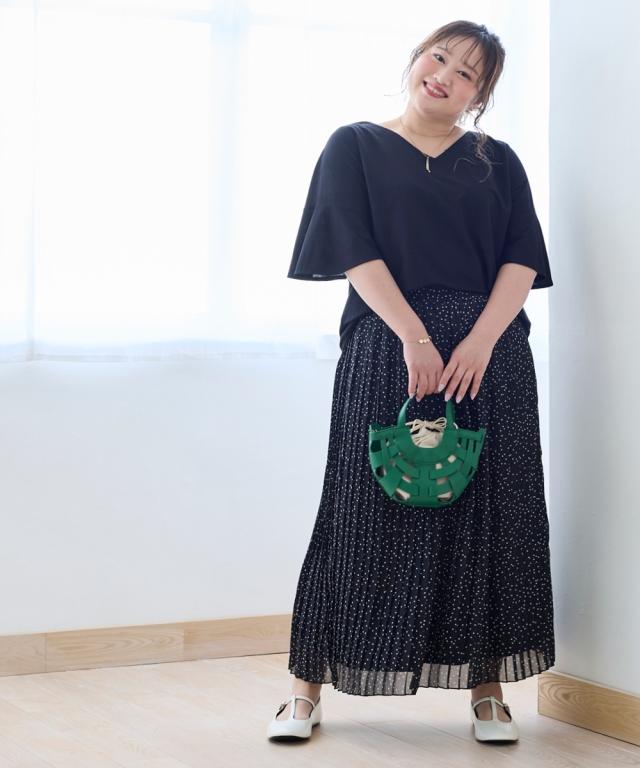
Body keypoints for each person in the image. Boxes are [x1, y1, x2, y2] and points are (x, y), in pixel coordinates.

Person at [267, 19, 555, 744]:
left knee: (487, 516)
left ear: (479, 96)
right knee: (360, 509)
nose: (445, 77)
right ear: (416, 58)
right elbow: (353, 248)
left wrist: (481, 341)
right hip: (388, 345)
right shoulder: (355, 145)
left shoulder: (498, 161)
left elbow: (521, 257)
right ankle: (303, 690)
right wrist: (414, 338)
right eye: (440, 58)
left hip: (488, 357)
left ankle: (488, 692)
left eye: (467, 74)